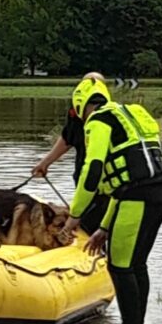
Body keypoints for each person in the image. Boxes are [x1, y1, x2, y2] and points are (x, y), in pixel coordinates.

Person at [63, 76, 162, 324]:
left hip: (136, 199)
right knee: (136, 265)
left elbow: (94, 169)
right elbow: (120, 187)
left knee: (121, 268)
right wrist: (103, 227)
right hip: (158, 196)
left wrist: (75, 215)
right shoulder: (131, 114)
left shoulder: (98, 121)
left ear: (80, 104)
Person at [31, 71, 107, 233]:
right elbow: (68, 138)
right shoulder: (76, 112)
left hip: (104, 181)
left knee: (94, 224)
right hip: (84, 176)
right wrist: (44, 163)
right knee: (87, 223)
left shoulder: (107, 115)